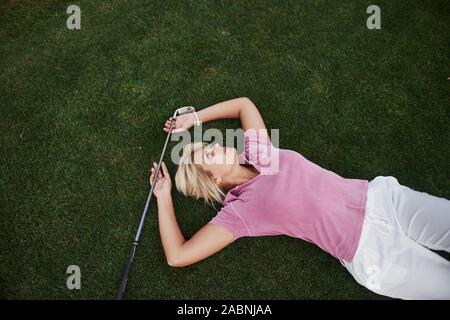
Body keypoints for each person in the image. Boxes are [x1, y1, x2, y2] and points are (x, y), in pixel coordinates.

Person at [150, 97, 450, 299]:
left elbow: (244, 105)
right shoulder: (239, 212)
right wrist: (164, 197)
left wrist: (195, 118)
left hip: (385, 201)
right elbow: (178, 256)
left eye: (209, 144)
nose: (217, 145)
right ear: (213, 179)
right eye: (209, 153)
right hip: (373, 253)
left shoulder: (258, 152)